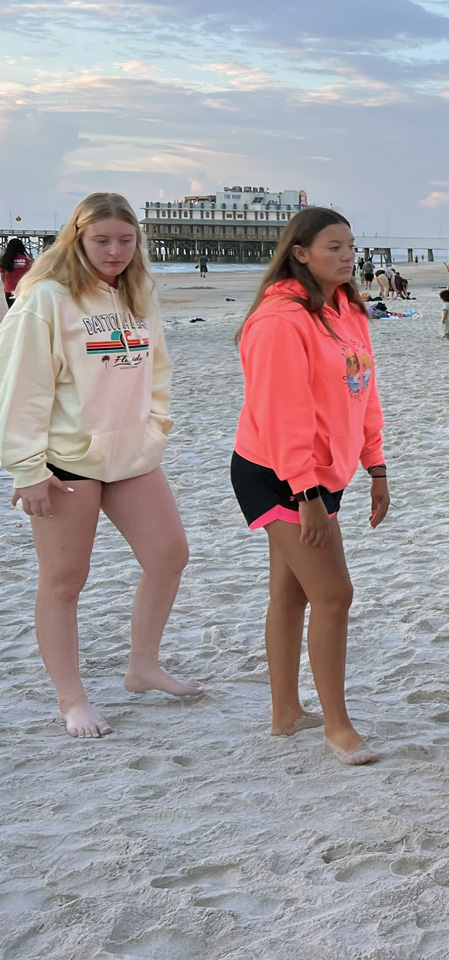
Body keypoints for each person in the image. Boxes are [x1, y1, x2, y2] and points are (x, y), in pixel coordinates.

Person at [0, 193, 199, 738]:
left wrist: (154, 428)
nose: (115, 251)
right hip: (65, 461)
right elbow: (21, 387)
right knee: (65, 580)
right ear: (77, 239)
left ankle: (143, 665)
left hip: (132, 455)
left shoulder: (137, 294)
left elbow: (157, 370)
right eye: (102, 240)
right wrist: (27, 468)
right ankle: (72, 699)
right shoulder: (46, 298)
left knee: (169, 555)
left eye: (125, 240)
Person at [231, 206, 391, 766]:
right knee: (334, 595)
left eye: (351, 246)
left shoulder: (347, 309)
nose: (348, 256)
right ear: (300, 253)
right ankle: (337, 726)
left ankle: (285, 712)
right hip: (278, 474)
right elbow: (283, 416)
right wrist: (307, 496)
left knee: (291, 591)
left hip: (328, 472)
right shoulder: (280, 320)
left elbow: (363, 394)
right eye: (334, 247)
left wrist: (376, 467)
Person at [1, 238, 33, 308]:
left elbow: (3, 276)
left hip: (9, 289)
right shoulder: (27, 260)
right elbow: (31, 274)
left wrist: (6, 285)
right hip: (23, 289)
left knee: (11, 311)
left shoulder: (5, 260)